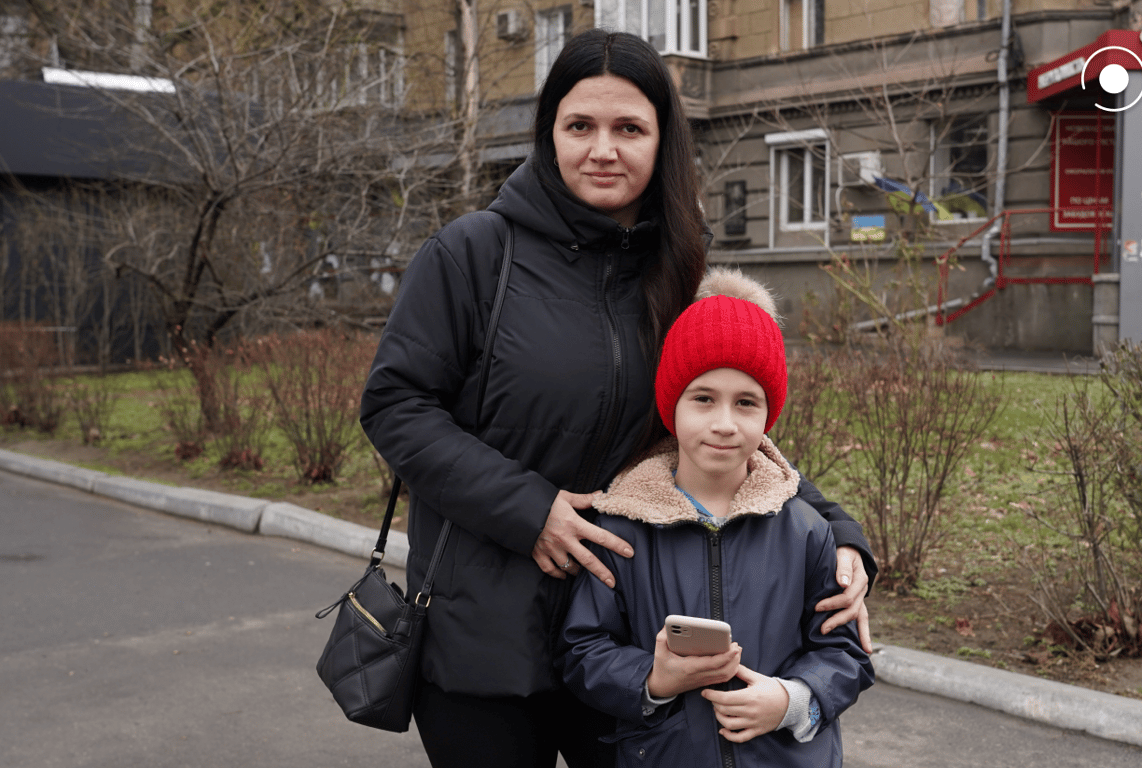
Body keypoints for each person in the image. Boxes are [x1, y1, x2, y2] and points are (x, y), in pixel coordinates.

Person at [360, 29, 875, 768]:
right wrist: (530, 510)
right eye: (580, 126)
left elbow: (719, 423)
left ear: (663, 142)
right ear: (549, 134)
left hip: (631, 645)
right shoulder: (473, 254)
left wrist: (838, 532)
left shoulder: (678, 270)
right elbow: (396, 404)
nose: (603, 150)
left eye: (629, 128)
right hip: (483, 639)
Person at [560, 269, 875, 768]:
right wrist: (652, 679)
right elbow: (582, 650)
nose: (724, 423)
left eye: (746, 403)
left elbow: (845, 651)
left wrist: (792, 700)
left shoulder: (807, 531)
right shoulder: (620, 527)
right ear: (672, 406)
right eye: (703, 398)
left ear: (768, 416)